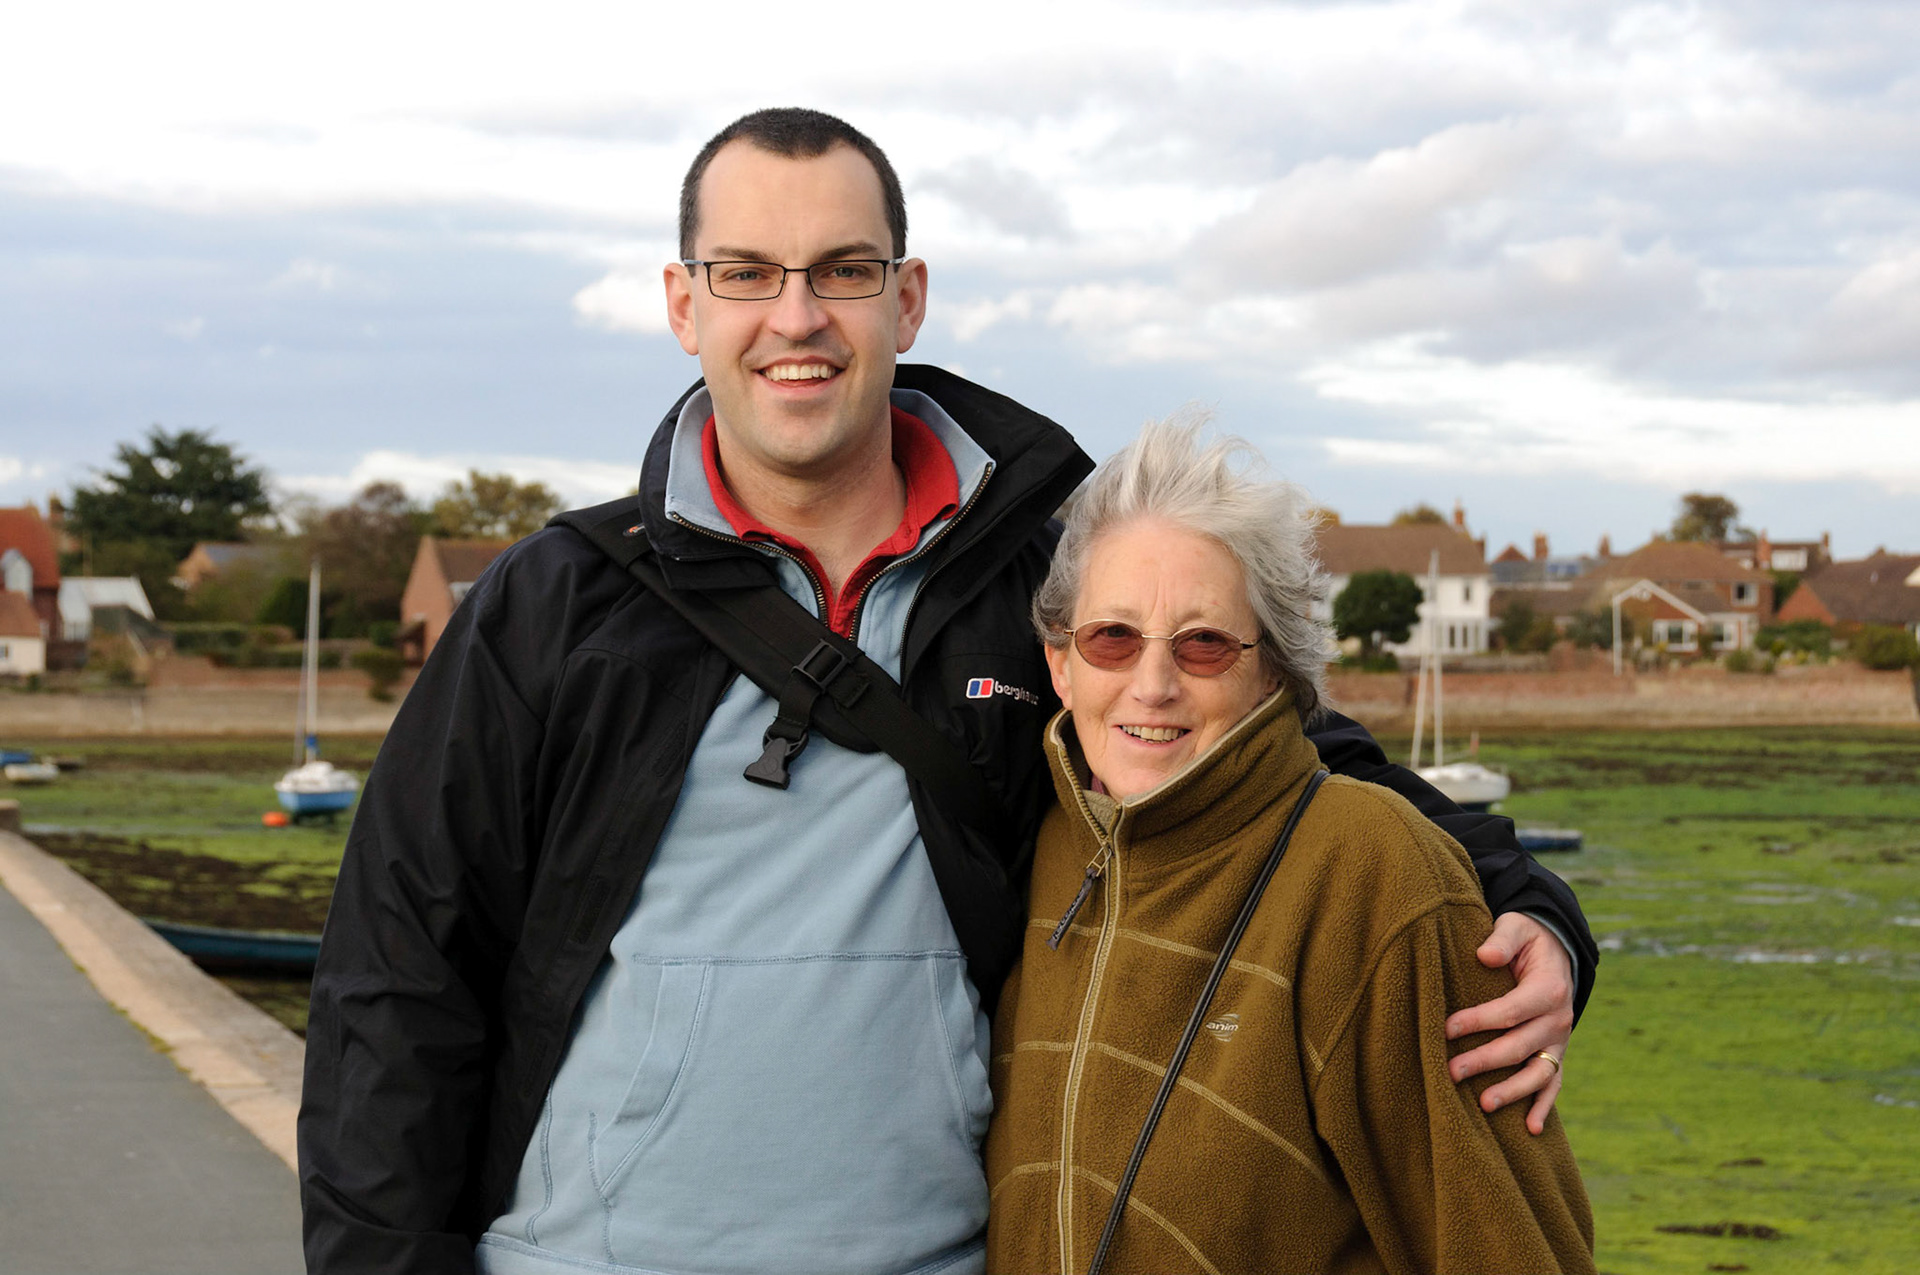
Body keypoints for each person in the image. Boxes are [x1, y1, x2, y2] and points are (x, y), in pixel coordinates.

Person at [299, 108, 1596, 1275]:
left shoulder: (1032, 577)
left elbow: (1267, 741)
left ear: (906, 299)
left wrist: (1528, 902)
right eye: (746, 273)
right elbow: (396, 976)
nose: (796, 316)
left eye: (842, 271)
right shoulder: (556, 602)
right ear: (684, 304)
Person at [985, 416, 1595, 1273]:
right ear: (1060, 663)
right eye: (1112, 637)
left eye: (1203, 643)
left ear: (1272, 667)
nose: (1152, 685)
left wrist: (1546, 913)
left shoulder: (1373, 871)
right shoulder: (1050, 843)